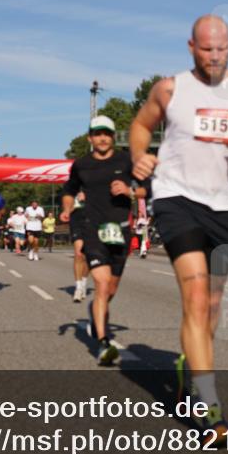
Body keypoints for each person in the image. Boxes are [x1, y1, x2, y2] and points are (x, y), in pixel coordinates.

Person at [130, 14, 228, 442]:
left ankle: (187, 366)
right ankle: (209, 406)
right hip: (177, 199)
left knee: (212, 306)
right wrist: (139, 158)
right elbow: (141, 126)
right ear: (191, 47)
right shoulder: (169, 89)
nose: (215, 56)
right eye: (206, 49)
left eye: (222, 48)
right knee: (196, 297)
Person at [61, 115, 146, 365]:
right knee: (101, 283)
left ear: (113, 137)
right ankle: (103, 344)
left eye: (107, 133)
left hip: (120, 231)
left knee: (110, 289)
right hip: (93, 230)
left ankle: (93, 316)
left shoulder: (126, 160)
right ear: (90, 138)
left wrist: (130, 191)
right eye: (97, 133)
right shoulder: (81, 164)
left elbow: (148, 188)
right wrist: (67, 208)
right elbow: (69, 190)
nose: (102, 138)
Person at [68, 192, 89, 302]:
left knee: (88, 257)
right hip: (77, 224)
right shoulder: (72, 189)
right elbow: (66, 211)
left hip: (92, 224)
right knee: (79, 254)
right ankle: (78, 288)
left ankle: (84, 282)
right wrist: (77, 202)